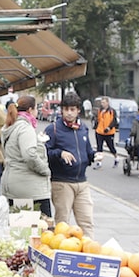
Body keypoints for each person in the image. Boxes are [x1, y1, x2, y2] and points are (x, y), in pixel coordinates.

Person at [45, 91, 96, 237]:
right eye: (66, 109)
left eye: (72, 109)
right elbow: (44, 152)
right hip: (62, 182)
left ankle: (90, 253)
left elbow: (87, 151)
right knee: (62, 224)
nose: (69, 113)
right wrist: (60, 153)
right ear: (61, 110)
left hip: (82, 182)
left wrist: (94, 156)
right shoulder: (53, 129)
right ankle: (62, 255)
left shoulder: (83, 128)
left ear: (78, 110)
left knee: (86, 222)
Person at [1, 94, 52, 219]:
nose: (36, 112)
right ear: (30, 110)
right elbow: (29, 155)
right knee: (40, 228)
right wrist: (45, 170)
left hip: (13, 184)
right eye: (36, 109)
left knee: (19, 227)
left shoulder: (11, 125)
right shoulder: (25, 128)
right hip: (31, 189)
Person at [93, 96, 119, 168]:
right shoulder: (100, 110)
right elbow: (98, 119)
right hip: (99, 131)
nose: (102, 104)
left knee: (111, 147)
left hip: (109, 132)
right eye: (101, 102)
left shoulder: (112, 111)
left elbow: (114, 121)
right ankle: (99, 163)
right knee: (99, 147)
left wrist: (109, 128)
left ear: (107, 103)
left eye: (104, 102)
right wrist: (96, 126)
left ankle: (116, 158)